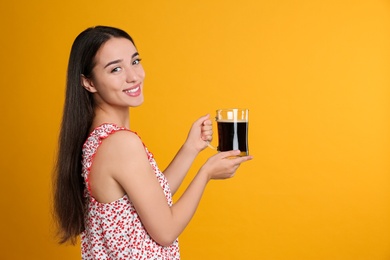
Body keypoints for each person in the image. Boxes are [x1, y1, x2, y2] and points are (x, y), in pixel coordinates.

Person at [53, 25, 253, 259]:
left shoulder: (100, 138)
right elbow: (165, 231)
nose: (133, 76)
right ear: (89, 83)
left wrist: (191, 148)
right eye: (116, 69)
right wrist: (206, 173)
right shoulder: (121, 143)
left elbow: (153, 200)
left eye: (135, 61)